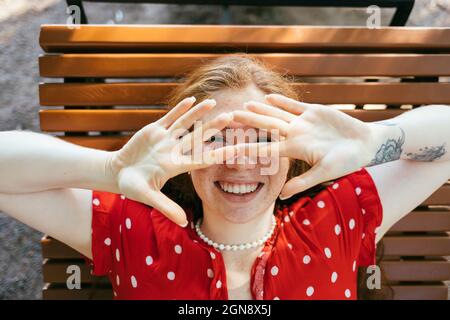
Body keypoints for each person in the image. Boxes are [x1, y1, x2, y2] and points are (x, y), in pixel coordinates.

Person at [0, 55, 449, 300]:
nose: (239, 161)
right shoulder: (134, 231)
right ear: (181, 154)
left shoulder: (338, 217)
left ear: (294, 152)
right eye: (215, 140)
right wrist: (111, 170)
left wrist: (376, 141)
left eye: (261, 140)